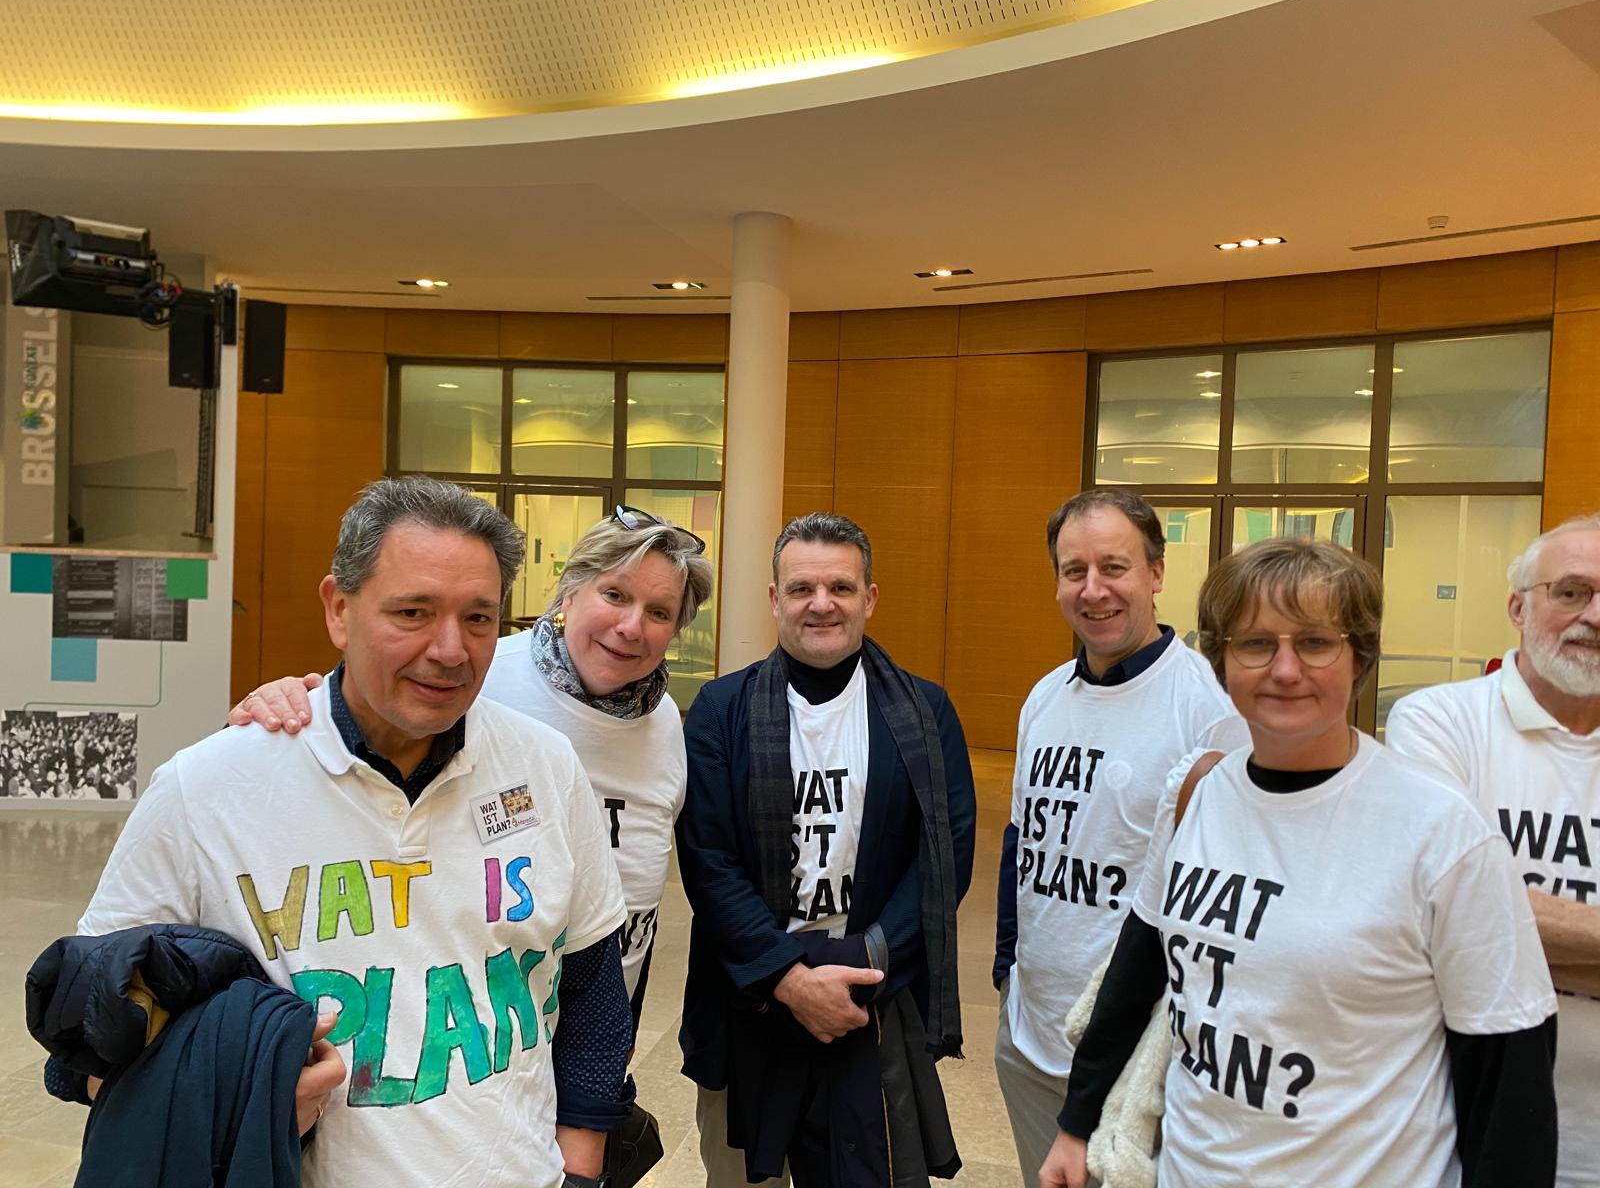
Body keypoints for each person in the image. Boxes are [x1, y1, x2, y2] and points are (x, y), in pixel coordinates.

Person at [78, 476, 631, 1188]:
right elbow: (87, 1036)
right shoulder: (206, 788)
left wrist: (579, 1169)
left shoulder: (546, 765)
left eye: (478, 618)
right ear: (339, 609)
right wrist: (241, 1099)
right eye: (412, 611)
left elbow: (591, 989)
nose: (450, 649)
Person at [1042, 538, 1558, 1188]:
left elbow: (1510, 1084)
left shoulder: (1442, 830)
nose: (1285, 670)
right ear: (1221, 662)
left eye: (1315, 642)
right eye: (1256, 643)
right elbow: (1136, 975)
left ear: (1359, 657)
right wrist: (1077, 1125)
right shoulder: (1197, 794)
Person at [233, 502, 714, 1031]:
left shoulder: (664, 721)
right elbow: (355, 727)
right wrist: (286, 707)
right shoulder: (474, 678)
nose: (631, 627)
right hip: (474, 1030)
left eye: (659, 613)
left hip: (603, 1008)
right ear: (570, 593)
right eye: (615, 595)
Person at [677, 512, 976, 1188]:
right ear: (774, 598)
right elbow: (707, 861)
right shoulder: (721, 709)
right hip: (748, 998)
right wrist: (789, 979)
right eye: (802, 588)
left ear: (869, 598)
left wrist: (860, 965)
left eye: (840, 587)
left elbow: (944, 857)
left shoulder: (927, 712)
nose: (821, 604)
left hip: (868, 998)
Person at [993, 488, 1245, 1181]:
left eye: (1114, 567)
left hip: (1136, 1058)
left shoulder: (1210, 708)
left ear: (1156, 573)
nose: (1093, 589)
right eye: (1074, 571)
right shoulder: (1045, 697)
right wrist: (1008, 971)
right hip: (1029, 1037)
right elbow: (1021, 842)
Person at [1388, 513, 1600, 1188]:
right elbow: (1447, 915)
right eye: (1571, 592)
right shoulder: (1438, 723)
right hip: (1465, 1136)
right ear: (1518, 608)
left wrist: (1511, 931)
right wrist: (1485, 926)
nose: (1594, 616)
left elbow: (1490, 926)